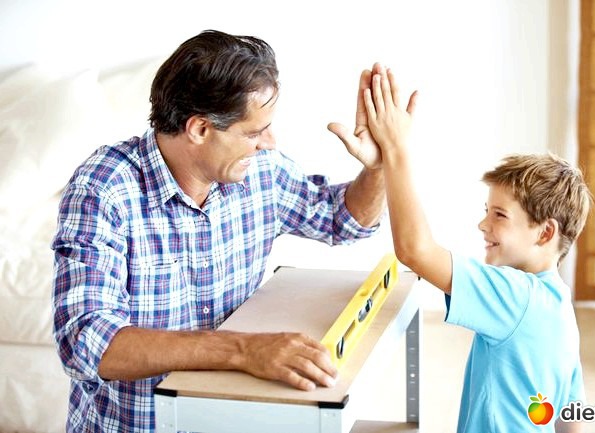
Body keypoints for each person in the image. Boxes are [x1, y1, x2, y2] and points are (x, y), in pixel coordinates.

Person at [51, 30, 387, 432]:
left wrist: (379, 167)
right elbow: (86, 342)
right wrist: (245, 349)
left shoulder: (261, 170)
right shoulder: (104, 188)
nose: (269, 143)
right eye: (253, 133)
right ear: (199, 129)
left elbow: (341, 220)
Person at [363, 64, 590, 432]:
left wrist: (394, 149)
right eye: (487, 211)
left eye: (499, 215)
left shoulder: (517, 296)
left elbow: (415, 250)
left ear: (545, 233)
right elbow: (571, 412)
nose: (483, 224)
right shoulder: (559, 306)